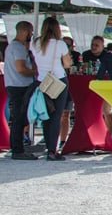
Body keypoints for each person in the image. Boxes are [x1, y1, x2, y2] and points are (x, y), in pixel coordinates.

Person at [29, 17, 72, 161]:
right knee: (56, 115)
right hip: (58, 80)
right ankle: (53, 151)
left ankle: (49, 146)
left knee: (46, 114)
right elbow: (67, 64)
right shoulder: (60, 44)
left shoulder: (35, 43)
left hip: (42, 80)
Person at [4, 21, 38, 160]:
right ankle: (18, 150)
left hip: (14, 85)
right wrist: (35, 72)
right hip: (20, 86)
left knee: (19, 118)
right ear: (24, 31)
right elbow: (21, 69)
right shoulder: (18, 48)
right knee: (20, 118)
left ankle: (16, 148)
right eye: (31, 31)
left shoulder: (12, 47)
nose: (31, 35)